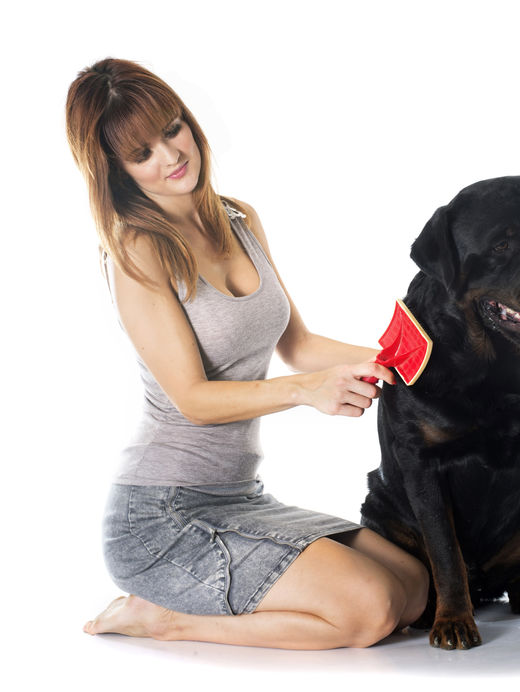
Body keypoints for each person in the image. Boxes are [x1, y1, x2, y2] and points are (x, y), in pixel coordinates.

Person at [65, 58, 428, 650]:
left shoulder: (239, 218)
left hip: (240, 498)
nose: (170, 155)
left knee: (415, 587)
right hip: (161, 516)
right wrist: (306, 392)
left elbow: (299, 345)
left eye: (172, 128)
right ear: (116, 173)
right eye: (142, 153)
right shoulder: (136, 251)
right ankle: (162, 619)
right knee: (372, 610)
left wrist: (423, 361)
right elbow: (193, 400)